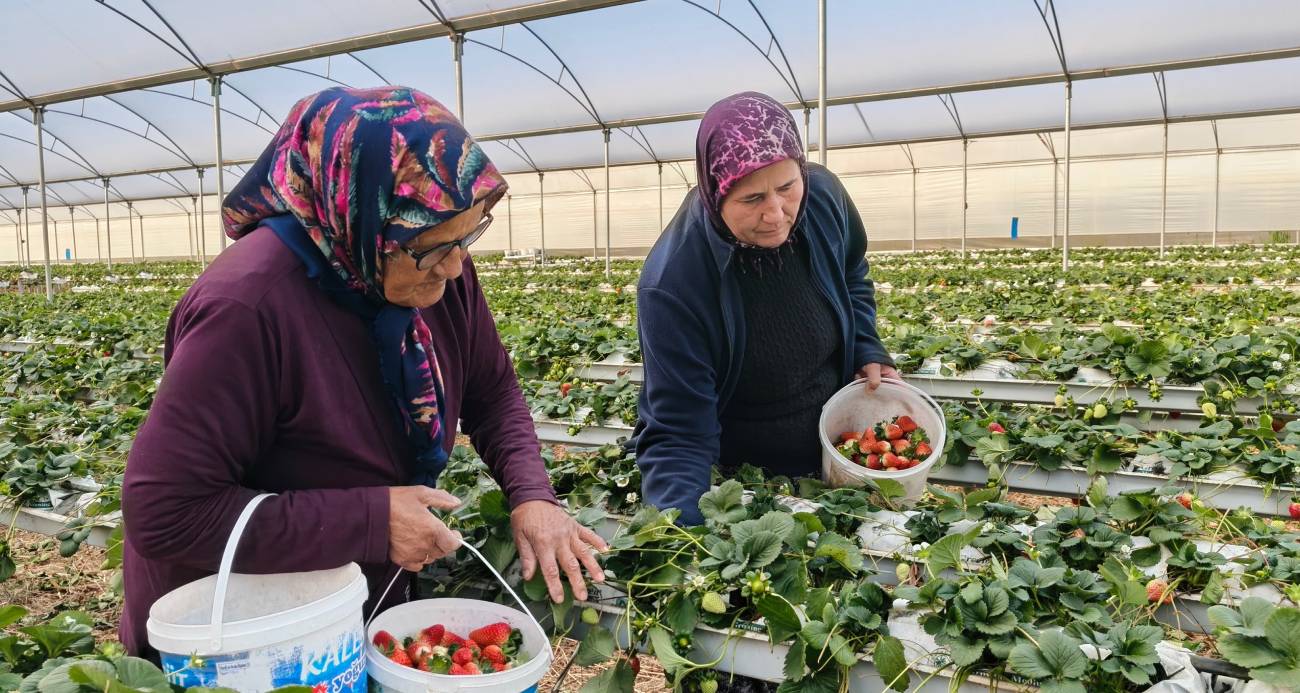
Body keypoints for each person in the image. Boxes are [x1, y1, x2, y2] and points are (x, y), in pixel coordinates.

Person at [119, 87, 605, 659]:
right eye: (431, 249)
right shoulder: (246, 309)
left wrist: (532, 495)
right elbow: (166, 512)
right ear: (360, 219)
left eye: (468, 237)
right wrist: (370, 521)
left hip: (346, 604)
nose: (455, 266)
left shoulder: (435, 263)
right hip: (239, 635)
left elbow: (490, 389)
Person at [635, 91, 898, 527]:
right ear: (715, 192)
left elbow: (852, 270)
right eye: (752, 199)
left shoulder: (824, 197)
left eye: (786, 187)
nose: (776, 214)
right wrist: (685, 536)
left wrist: (867, 347)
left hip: (839, 441)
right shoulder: (674, 283)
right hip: (747, 478)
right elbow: (678, 432)